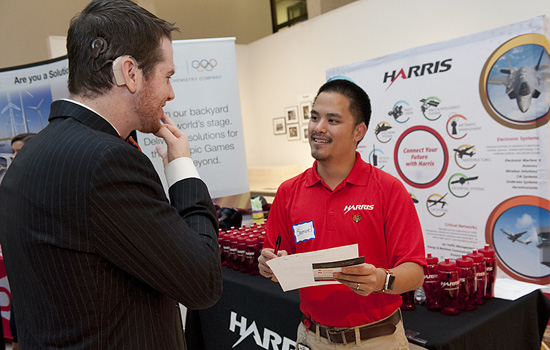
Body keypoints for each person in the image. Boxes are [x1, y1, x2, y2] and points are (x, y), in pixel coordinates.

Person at [0, 1, 222, 349]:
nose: (171, 93)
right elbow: (202, 281)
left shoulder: (30, 156)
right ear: (130, 73)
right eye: (168, 76)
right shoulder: (107, 162)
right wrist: (183, 172)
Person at [258, 79, 426, 349]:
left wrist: (380, 280)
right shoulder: (288, 192)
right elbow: (275, 261)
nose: (318, 128)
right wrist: (268, 265)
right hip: (313, 338)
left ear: (359, 131)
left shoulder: (388, 190)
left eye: (332, 120)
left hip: (377, 340)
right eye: (314, 117)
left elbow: (415, 272)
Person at [7, 133, 36, 350]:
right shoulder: (10, 182)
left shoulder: (44, 182)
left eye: (19, 151)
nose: (14, 156)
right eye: (13, 152)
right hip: (21, 268)